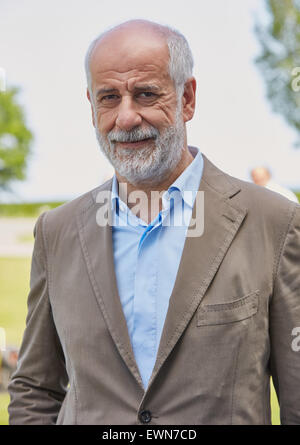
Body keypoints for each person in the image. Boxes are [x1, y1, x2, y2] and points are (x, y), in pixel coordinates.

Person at [7, 19, 300, 425]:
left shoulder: (274, 222)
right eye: (108, 97)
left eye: (146, 94)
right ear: (91, 107)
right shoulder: (57, 232)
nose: (126, 118)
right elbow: (37, 389)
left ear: (188, 98)